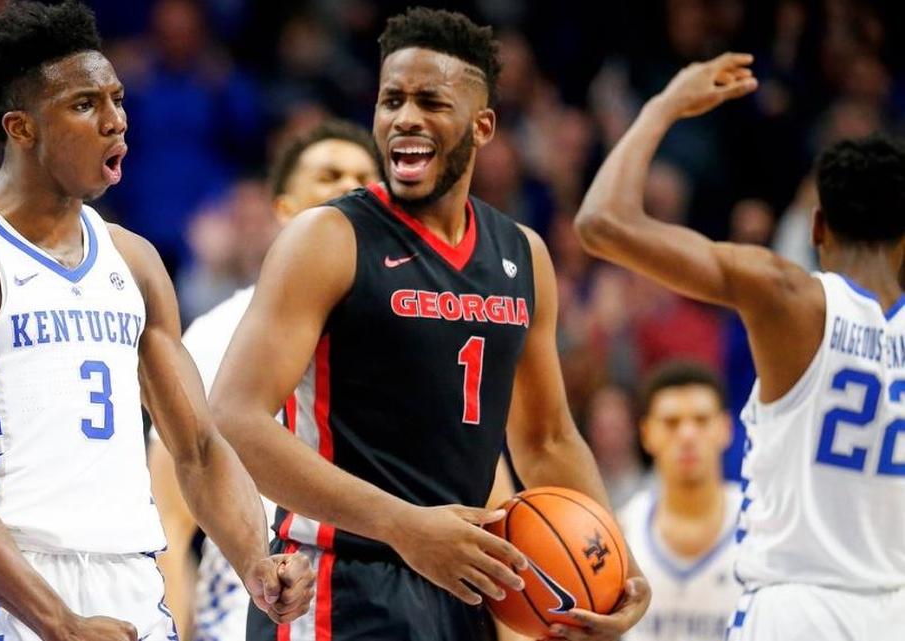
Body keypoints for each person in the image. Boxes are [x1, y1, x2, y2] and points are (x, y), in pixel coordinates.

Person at [210, 8, 650, 641]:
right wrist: (403, 526)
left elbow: (548, 439)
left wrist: (618, 573)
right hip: (340, 581)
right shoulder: (329, 238)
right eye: (392, 100)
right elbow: (235, 417)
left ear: (483, 125)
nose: (405, 118)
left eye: (430, 101)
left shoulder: (523, 256)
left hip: (463, 592)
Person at [0, 3, 313, 641]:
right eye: (85, 105)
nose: (116, 121)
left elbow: (196, 448)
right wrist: (58, 621)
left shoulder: (133, 260)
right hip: (2, 589)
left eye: (116, 99)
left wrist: (256, 558)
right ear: (21, 128)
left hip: (132, 578)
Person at [575, 53, 905, 641]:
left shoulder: (788, 295)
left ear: (817, 227)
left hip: (799, 612)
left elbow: (601, 222)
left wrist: (663, 106)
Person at [149, 118, 380, 640]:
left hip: (378, 608)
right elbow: (169, 517)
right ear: (283, 211)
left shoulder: (414, 334)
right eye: (329, 175)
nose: (349, 187)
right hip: (244, 613)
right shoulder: (217, 335)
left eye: (364, 178)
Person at [617, 362, 740, 641]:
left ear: (726, 428)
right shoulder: (622, 530)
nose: (687, 435)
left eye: (701, 420)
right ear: (647, 433)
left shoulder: (761, 526)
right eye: (671, 423)